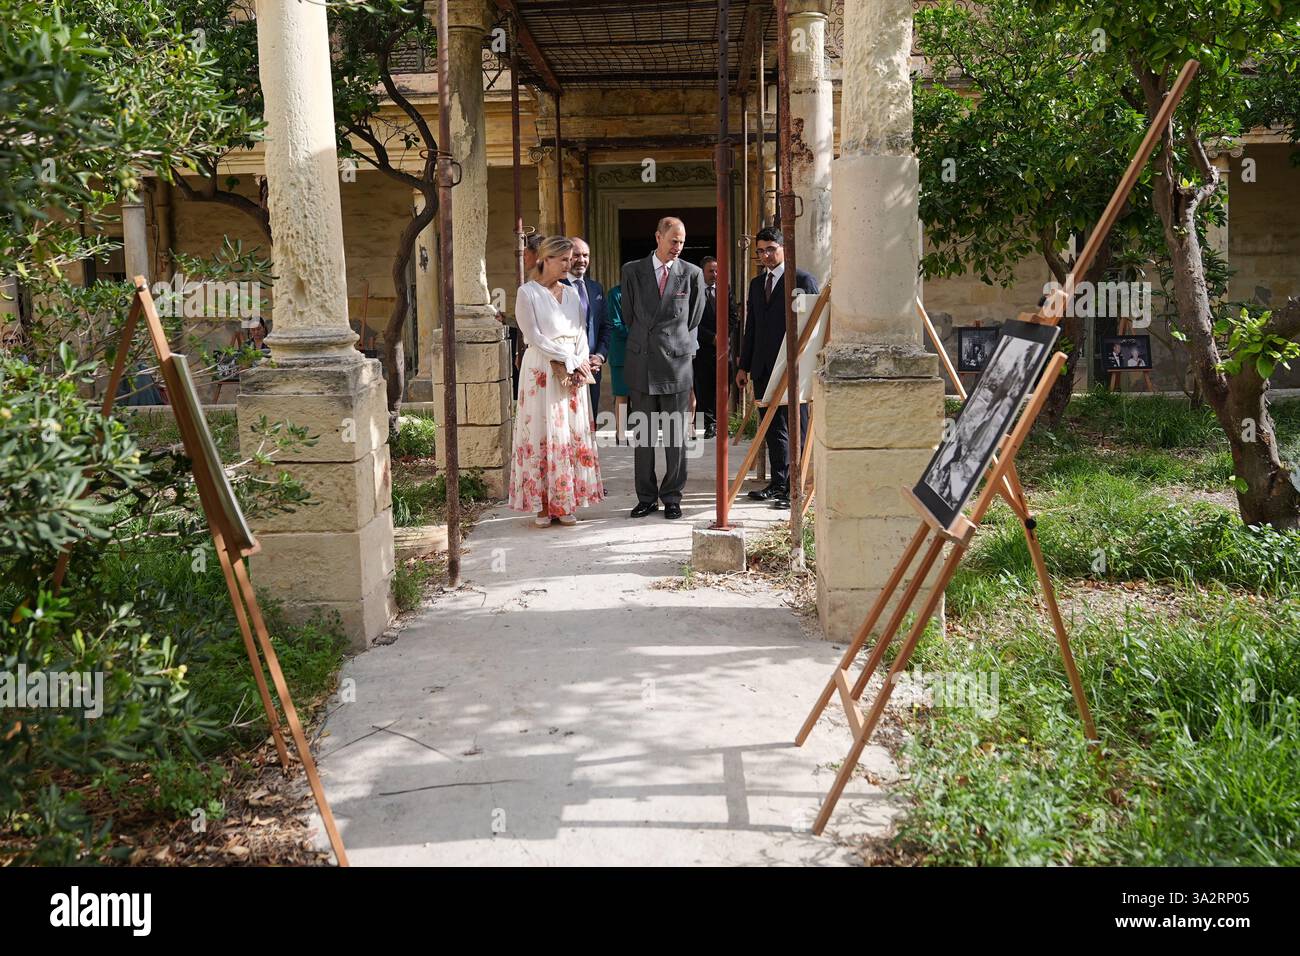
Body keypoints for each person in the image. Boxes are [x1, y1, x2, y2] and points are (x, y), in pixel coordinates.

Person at [509, 236, 604, 527]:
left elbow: (580, 333)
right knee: (542, 429)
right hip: (542, 368)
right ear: (545, 260)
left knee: (568, 433)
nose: (570, 264)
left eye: (571, 258)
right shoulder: (527, 293)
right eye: (563, 259)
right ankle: (542, 505)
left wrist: (580, 360)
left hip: (572, 368)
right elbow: (533, 336)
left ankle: (565, 503)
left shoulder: (573, 294)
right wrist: (567, 356)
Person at [619, 216, 706, 520]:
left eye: (682, 242)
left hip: (676, 365)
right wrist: (648, 341)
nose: (678, 247)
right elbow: (630, 316)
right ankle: (646, 497)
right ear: (658, 237)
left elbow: (694, 318)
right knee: (643, 437)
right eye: (673, 241)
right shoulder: (631, 271)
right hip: (642, 362)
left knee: (675, 438)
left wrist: (673, 343)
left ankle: (672, 497)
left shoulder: (693, 274)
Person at [737, 227, 819, 509]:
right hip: (762, 366)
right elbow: (752, 328)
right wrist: (743, 365)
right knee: (772, 428)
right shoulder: (757, 285)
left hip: (794, 368)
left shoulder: (803, 280)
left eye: (771, 249)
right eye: (760, 251)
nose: (766, 255)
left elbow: (814, 326)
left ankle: (797, 486)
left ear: (784, 248)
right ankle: (779, 482)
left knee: (797, 425)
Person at [563, 237, 611, 418]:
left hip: (592, 368)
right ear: (566, 257)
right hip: (566, 368)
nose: (582, 260)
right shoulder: (556, 287)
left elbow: (606, 326)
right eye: (576, 255)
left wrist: (599, 356)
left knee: (590, 420)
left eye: (585, 255)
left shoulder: (595, 288)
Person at [693, 256, 725, 439]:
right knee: (704, 388)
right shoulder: (695, 292)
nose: (714, 274)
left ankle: (721, 422)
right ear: (702, 272)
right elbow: (692, 321)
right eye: (710, 271)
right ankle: (709, 424)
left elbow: (733, 316)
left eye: (716, 270)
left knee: (722, 387)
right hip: (703, 348)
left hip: (723, 349)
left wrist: (723, 336)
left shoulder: (724, 290)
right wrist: (711, 338)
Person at [606, 284, 631, 442]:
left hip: (643, 353)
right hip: (621, 352)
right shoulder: (615, 293)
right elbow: (615, 324)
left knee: (641, 395)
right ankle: (620, 433)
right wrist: (638, 333)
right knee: (622, 394)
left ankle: (641, 431)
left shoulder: (645, 292)